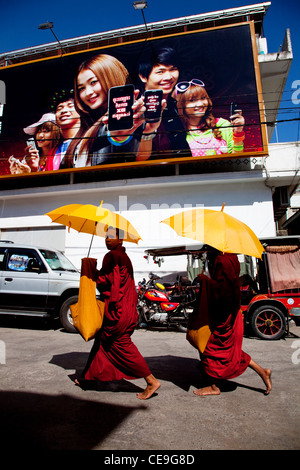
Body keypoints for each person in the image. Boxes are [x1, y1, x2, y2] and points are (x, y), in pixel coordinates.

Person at [75, 226, 160, 400]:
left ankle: (151, 381)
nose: (107, 240)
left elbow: (108, 283)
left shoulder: (112, 256)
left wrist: (91, 270)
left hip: (118, 309)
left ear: (120, 240)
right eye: (106, 237)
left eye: (111, 237)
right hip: (127, 307)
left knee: (122, 344)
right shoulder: (124, 256)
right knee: (102, 342)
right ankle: (89, 378)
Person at [190, 247, 272, 396]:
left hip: (224, 312)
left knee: (211, 347)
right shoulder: (231, 256)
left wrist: (206, 282)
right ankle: (262, 371)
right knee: (229, 350)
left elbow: (223, 291)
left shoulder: (223, 260)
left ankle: (214, 386)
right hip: (231, 310)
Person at [64, 53, 145, 168]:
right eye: (81, 88)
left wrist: (119, 137)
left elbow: (123, 143)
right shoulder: (88, 125)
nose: (88, 93)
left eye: (93, 82)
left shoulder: (131, 114)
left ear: (110, 77)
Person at [137, 47, 191, 161]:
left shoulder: (174, 103)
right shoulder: (138, 109)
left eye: (173, 69)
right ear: (143, 76)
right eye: (160, 72)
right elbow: (138, 157)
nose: (168, 77)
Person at [175, 79, 245, 157]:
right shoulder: (178, 133)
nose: (200, 104)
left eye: (203, 98)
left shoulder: (222, 125)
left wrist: (238, 132)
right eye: (192, 100)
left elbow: (237, 158)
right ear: (181, 105)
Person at [49, 89, 81, 170]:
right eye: (59, 108)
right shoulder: (53, 152)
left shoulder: (88, 141)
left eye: (70, 106)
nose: (64, 111)